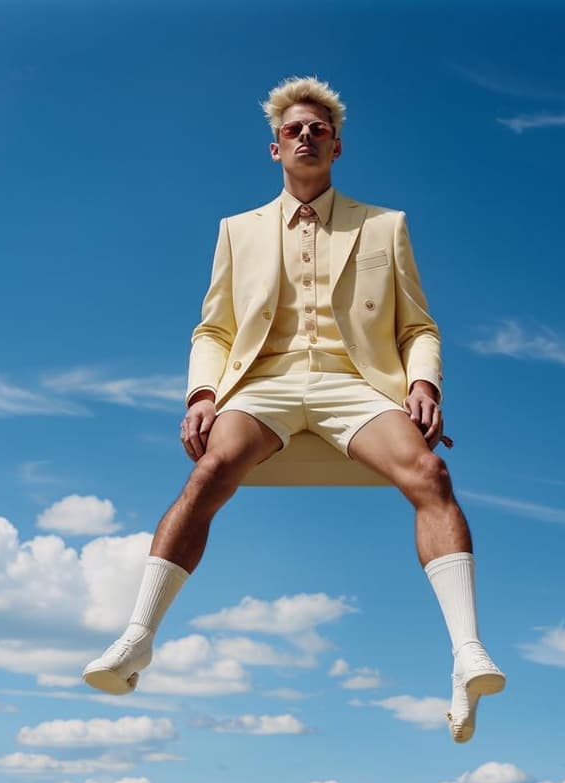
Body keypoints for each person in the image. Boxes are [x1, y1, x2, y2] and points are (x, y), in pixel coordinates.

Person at [83, 76, 505, 743]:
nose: (305, 137)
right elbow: (214, 330)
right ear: (273, 149)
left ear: (337, 146)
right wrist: (201, 394)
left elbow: (418, 327)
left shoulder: (385, 226)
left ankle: (465, 655)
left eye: (318, 130)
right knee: (210, 470)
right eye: (292, 130)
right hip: (265, 384)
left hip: (356, 384)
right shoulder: (235, 231)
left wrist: (424, 385)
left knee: (431, 475)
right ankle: (137, 637)